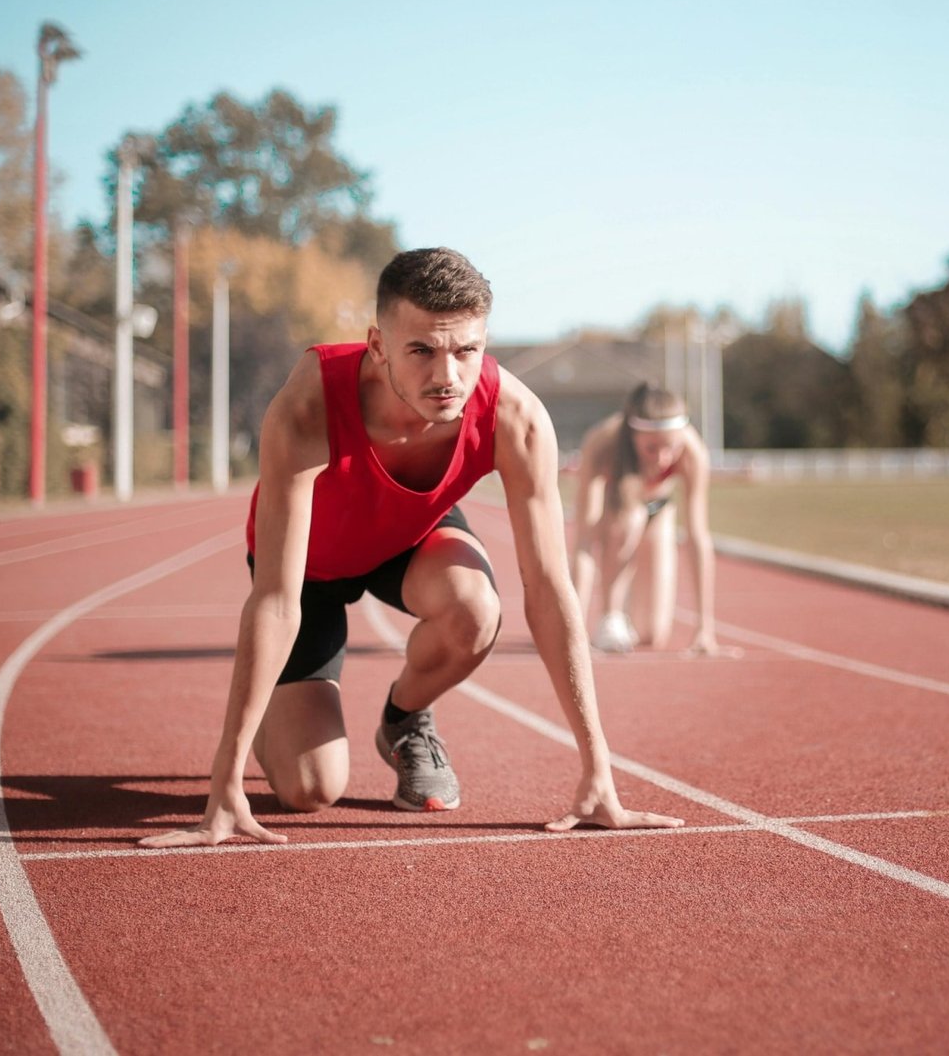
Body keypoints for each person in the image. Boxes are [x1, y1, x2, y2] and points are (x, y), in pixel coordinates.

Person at [141, 248, 683, 847]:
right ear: (378, 344)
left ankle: (403, 721)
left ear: (484, 342)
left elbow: (551, 590)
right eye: (421, 350)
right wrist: (225, 782)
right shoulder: (308, 404)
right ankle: (275, 706)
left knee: (477, 609)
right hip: (310, 568)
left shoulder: (516, 418)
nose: (446, 376)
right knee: (309, 790)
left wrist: (597, 771)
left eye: (465, 350)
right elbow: (275, 598)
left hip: (409, 539)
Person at [569, 383, 727, 655]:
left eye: (671, 447)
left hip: (659, 509)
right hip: (616, 510)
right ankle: (611, 615)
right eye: (651, 448)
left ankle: (630, 606)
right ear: (632, 437)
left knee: (651, 634)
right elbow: (584, 540)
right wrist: (573, 630)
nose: (663, 459)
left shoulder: (693, 451)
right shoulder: (602, 443)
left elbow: (698, 536)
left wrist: (705, 628)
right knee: (630, 520)